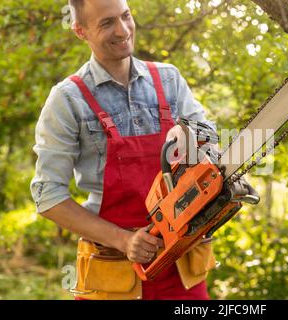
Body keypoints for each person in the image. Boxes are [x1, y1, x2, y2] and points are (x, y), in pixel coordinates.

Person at [30, 0, 220, 300]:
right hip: (112, 273)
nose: (122, 30)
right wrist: (122, 239)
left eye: (126, 16)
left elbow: (210, 142)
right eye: (107, 23)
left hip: (183, 268)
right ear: (80, 31)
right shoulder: (68, 100)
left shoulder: (169, 79)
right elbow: (47, 195)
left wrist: (195, 143)